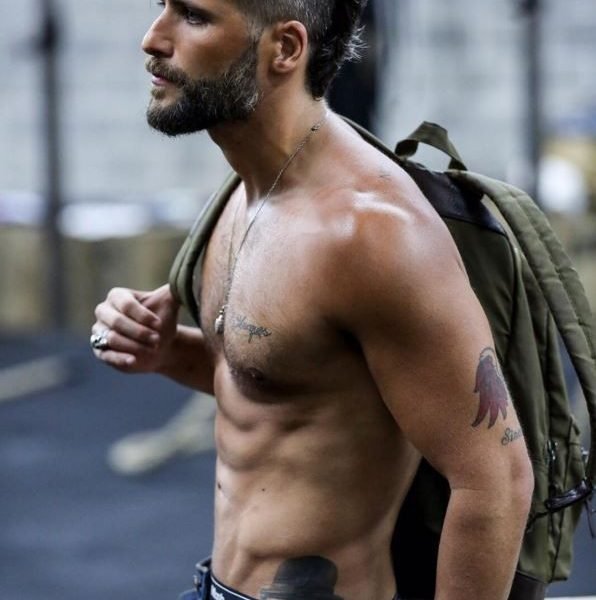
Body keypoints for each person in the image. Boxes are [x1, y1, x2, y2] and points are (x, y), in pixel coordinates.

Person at [91, 1, 534, 598]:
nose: (153, 38)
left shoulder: (372, 234)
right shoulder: (246, 188)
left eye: (193, 16)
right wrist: (165, 351)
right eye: (161, 6)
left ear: (285, 49)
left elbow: (495, 482)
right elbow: (282, 380)